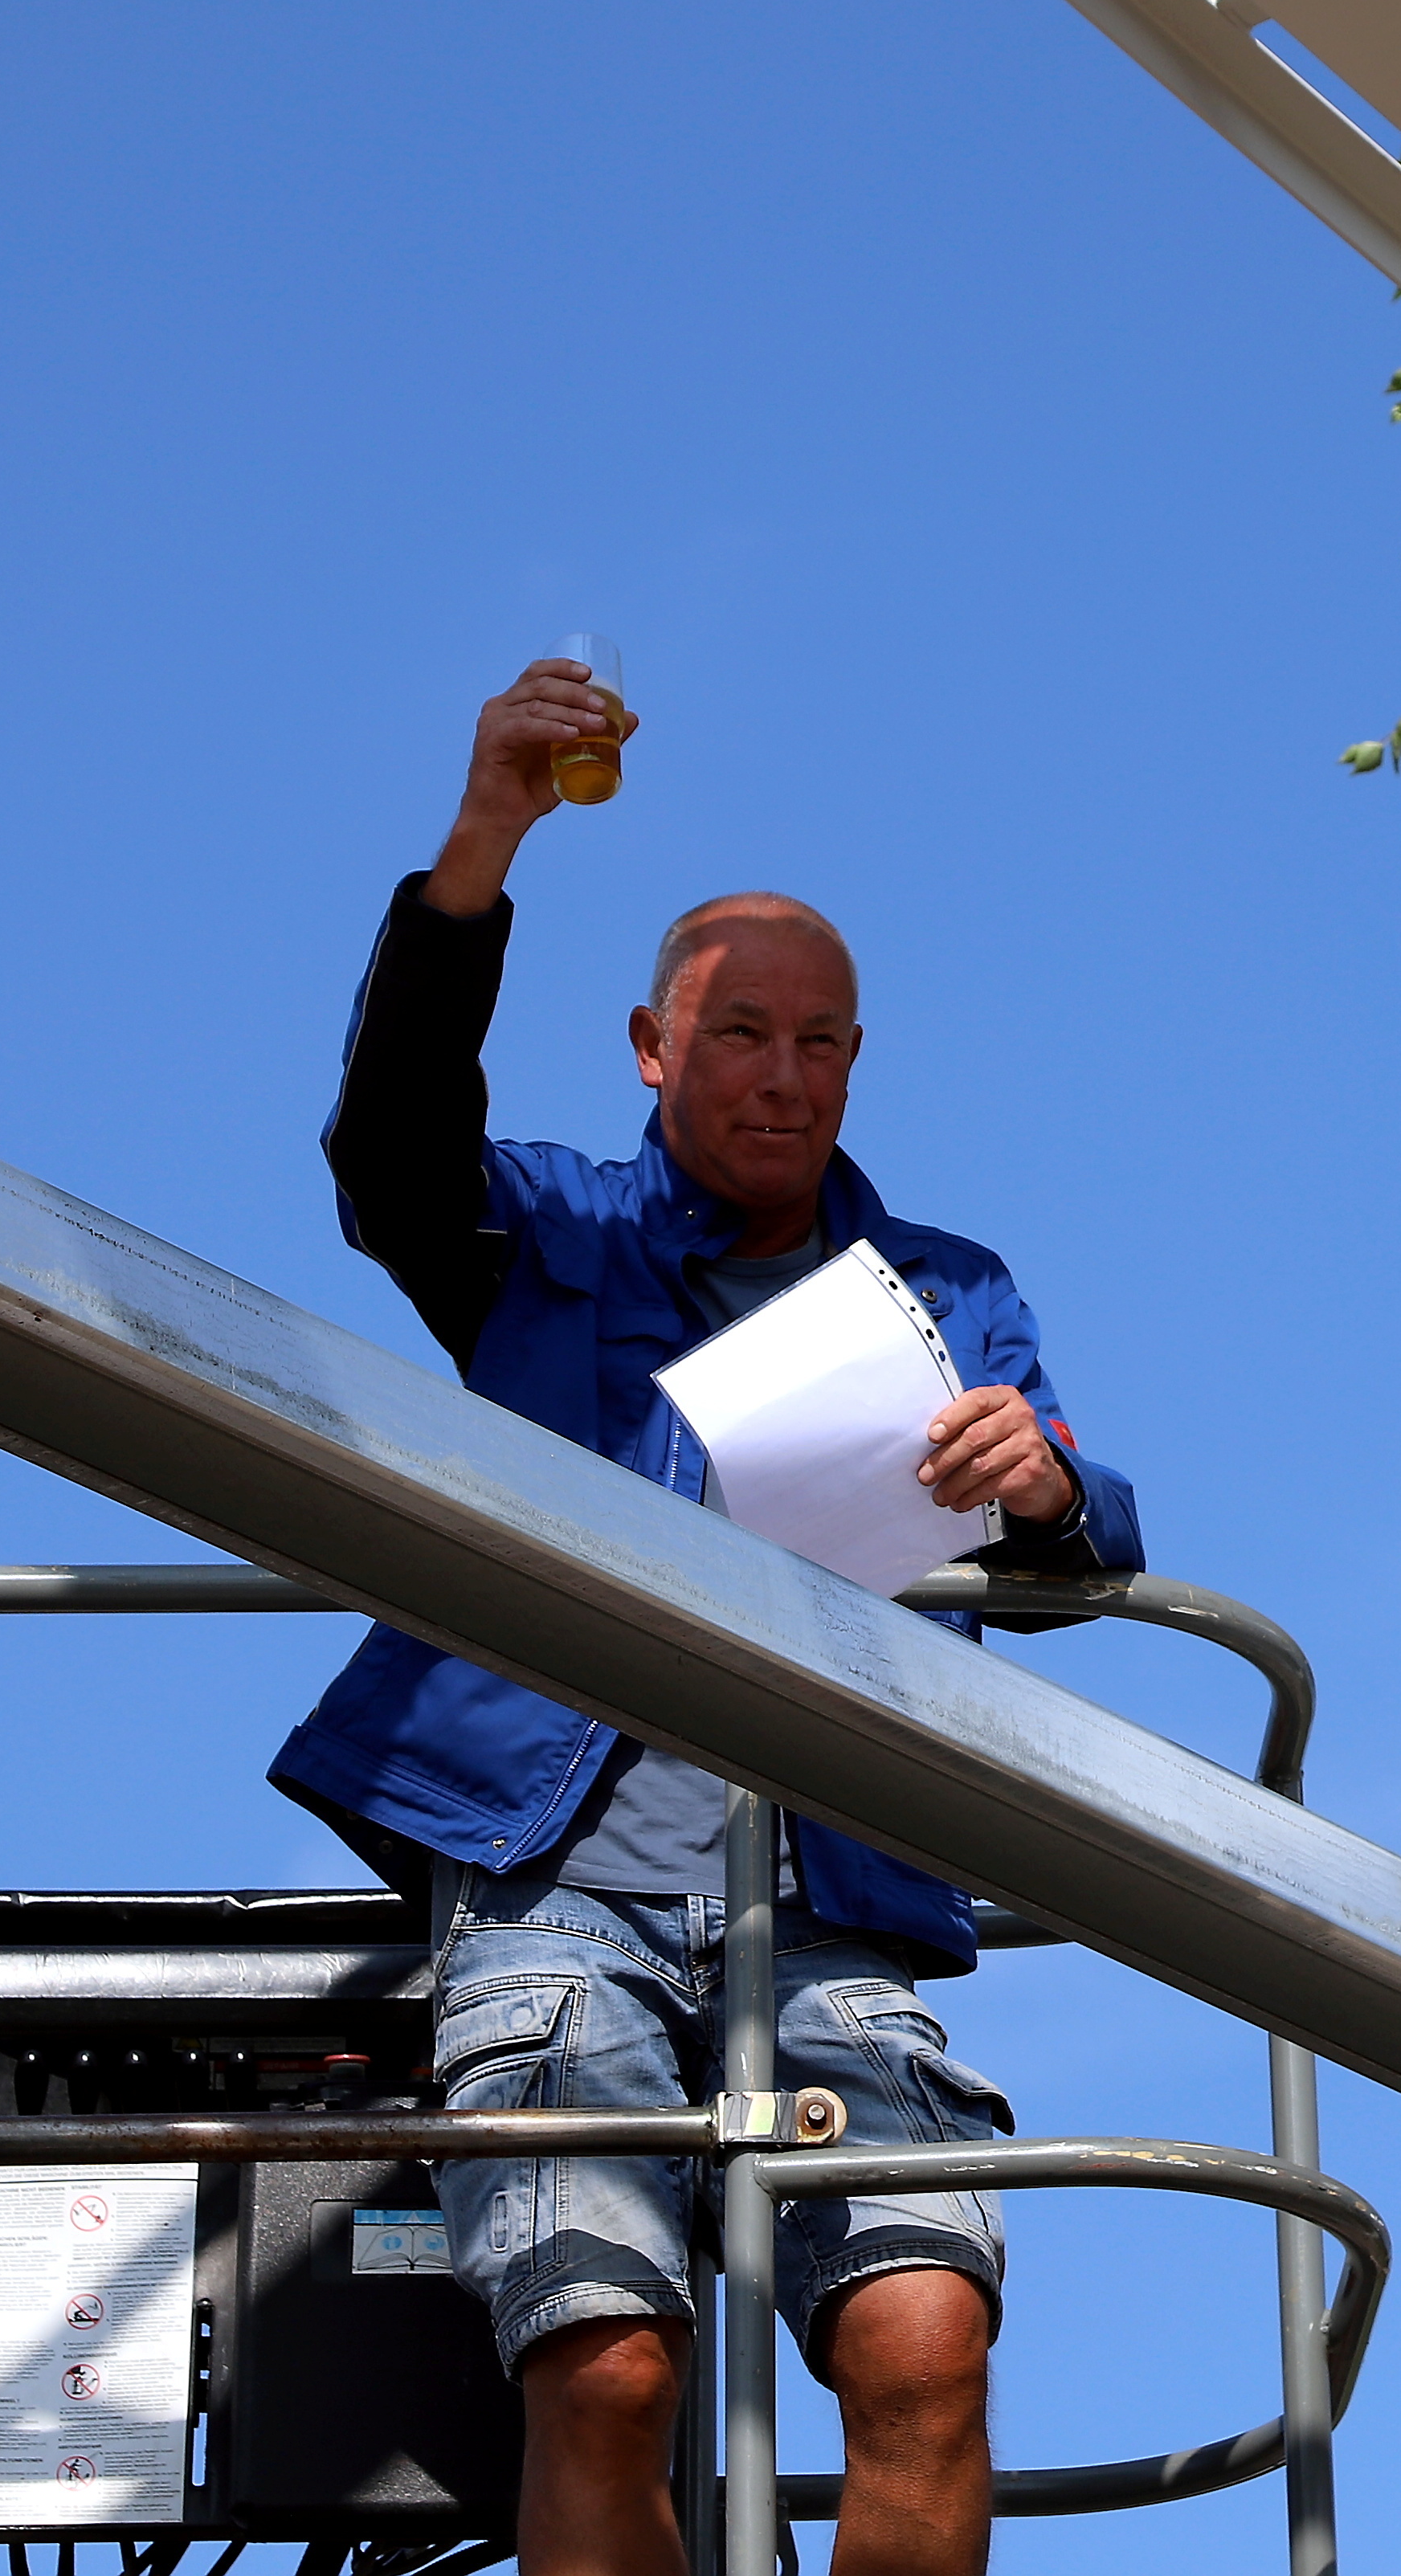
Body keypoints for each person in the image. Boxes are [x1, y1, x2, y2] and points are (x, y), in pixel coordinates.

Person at [271, 655, 1142, 2576]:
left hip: (839, 1902)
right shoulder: (548, 1235)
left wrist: (1050, 1485)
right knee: (608, 2369)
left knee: (928, 2346)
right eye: (741, 1034)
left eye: (823, 1043)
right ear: (653, 1048)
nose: (784, 1075)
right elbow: (385, 1153)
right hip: (554, 1888)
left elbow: (1089, 1525)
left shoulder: (945, 1282)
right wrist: (487, 832)